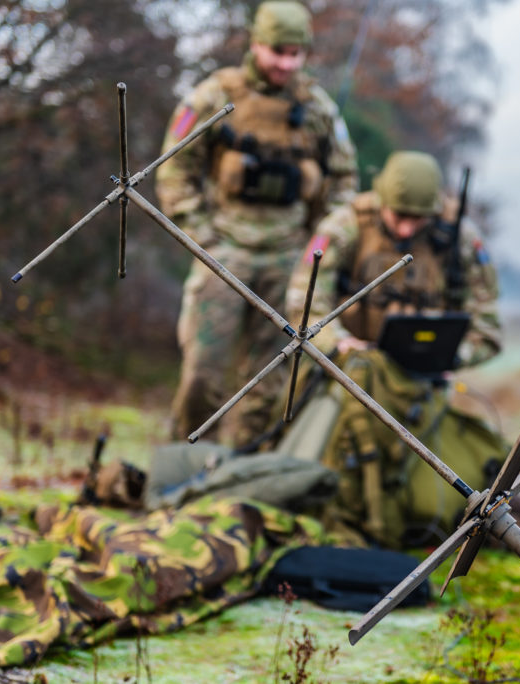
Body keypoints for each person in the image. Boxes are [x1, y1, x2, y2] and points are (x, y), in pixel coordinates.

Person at [156, 0, 358, 445]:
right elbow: (173, 169)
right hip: (223, 250)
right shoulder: (213, 95)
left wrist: (319, 248)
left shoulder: (318, 109)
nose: (286, 63)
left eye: (296, 54)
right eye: (277, 52)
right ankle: (184, 469)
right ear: (256, 44)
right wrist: (202, 235)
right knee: (201, 375)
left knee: (268, 384)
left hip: (289, 257)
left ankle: (243, 474)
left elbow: (344, 183)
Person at [282, 150, 505, 547]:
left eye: (416, 219)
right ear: (381, 200)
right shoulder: (346, 225)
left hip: (426, 389)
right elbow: (303, 304)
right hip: (346, 378)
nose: (405, 229)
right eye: (397, 216)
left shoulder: (458, 239)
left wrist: (453, 357)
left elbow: (488, 327)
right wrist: (340, 343)